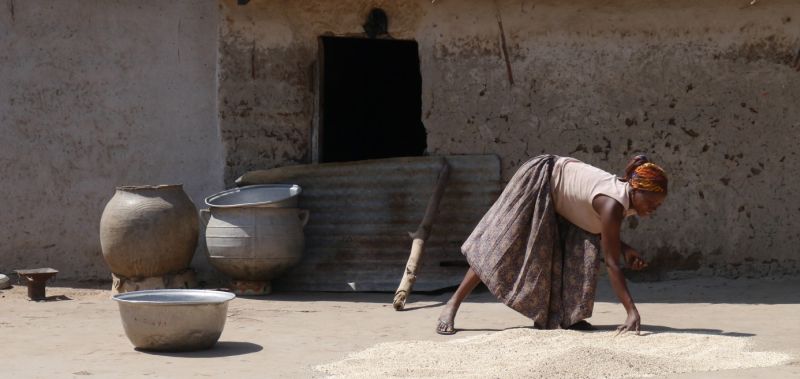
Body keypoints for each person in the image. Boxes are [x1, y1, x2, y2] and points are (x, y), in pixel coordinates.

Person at [435, 154, 668, 335]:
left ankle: (565, 318)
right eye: (650, 202)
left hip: (562, 199)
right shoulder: (612, 204)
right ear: (636, 190)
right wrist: (631, 311)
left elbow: (604, 235)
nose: (652, 209)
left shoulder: (624, 200)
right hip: (541, 179)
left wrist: (625, 249)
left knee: (579, 248)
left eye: (656, 206)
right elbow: (611, 263)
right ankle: (451, 306)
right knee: (501, 245)